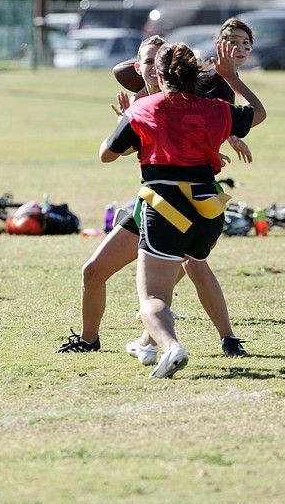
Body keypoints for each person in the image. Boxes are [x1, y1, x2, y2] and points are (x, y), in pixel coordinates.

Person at [56, 24, 253, 360]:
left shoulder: (187, 98)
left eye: (155, 61)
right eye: (145, 61)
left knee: (180, 273)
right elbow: (139, 147)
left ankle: (209, 339)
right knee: (95, 271)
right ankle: (93, 340)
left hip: (172, 200)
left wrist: (220, 142)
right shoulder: (140, 104)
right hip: (151, 202)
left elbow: (211, 125)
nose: (150, 67)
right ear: (137, 67)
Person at [99, 39, 266, 378]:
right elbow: (257, 114)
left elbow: (107, 154)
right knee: (196, 267)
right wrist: (231, 78)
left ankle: (170, 346)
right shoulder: (216, 107)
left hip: (166, 206)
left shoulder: (143, 108)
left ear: (159, 77)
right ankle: (168, 342)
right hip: (208, 210)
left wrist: (125, 124)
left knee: (152, 297)